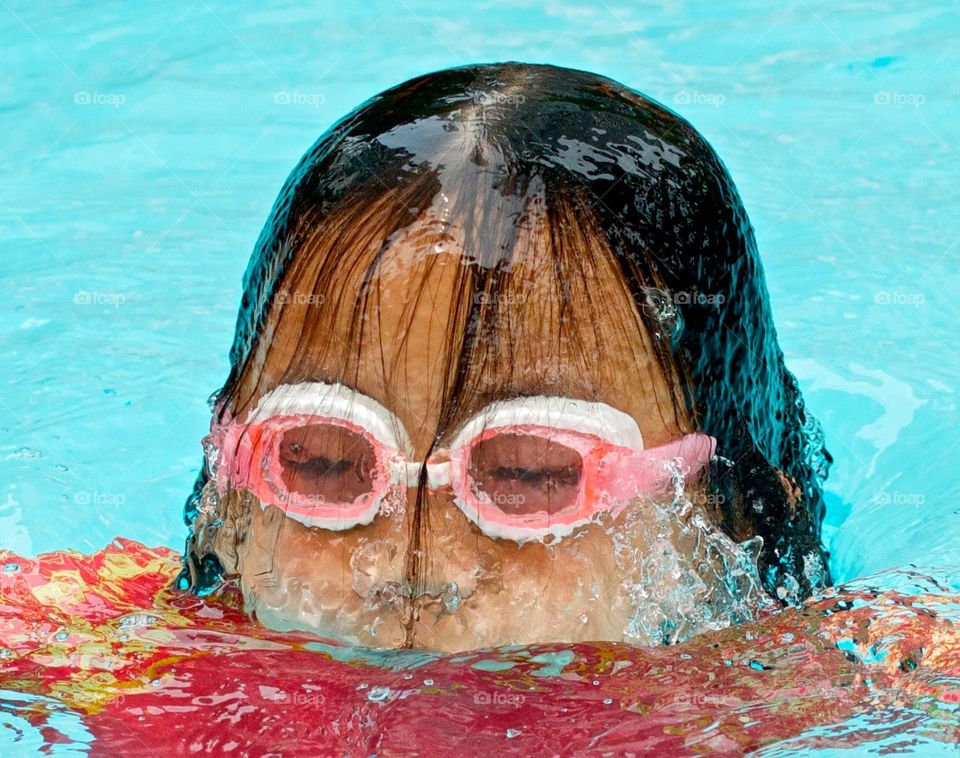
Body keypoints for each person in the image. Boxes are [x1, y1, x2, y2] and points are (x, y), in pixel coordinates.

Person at [178, 62, 831, 653]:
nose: (412, 575)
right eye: (322, 459)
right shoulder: (136, 662)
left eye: (528, 471)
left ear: (729, 511)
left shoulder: (815, 692)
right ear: (229, 492)